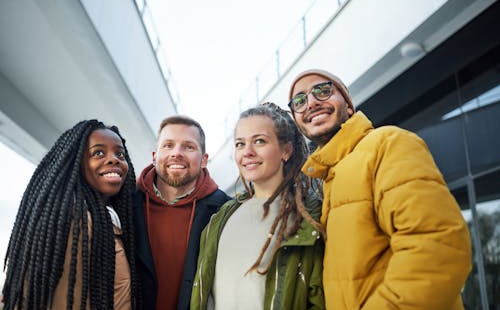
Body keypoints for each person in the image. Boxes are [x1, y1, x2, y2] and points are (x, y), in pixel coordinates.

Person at [287, 68, 472, 309]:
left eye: (322, 91)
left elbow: (437, 248)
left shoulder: (388, 144)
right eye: (299, 101)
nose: (311, 103)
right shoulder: (328, 180)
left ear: (349, 106)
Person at [191, 103, 326, 310]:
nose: (248, 152)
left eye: (260, 141)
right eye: (240, 144)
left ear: (286, 150)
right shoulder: (220, 219)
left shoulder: (311, 216)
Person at [2, 119, 138, 309]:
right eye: (98, 153)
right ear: (75, 163)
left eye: (120, 153)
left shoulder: (107, 220)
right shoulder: (77, 221)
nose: (114, 159)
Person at [133, 115, 230, 310]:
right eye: (168, 145)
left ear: (204, 160)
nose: (176, 153)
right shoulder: (127, 203)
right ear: (154, 156)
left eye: (188, 146)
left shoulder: (224, 211)